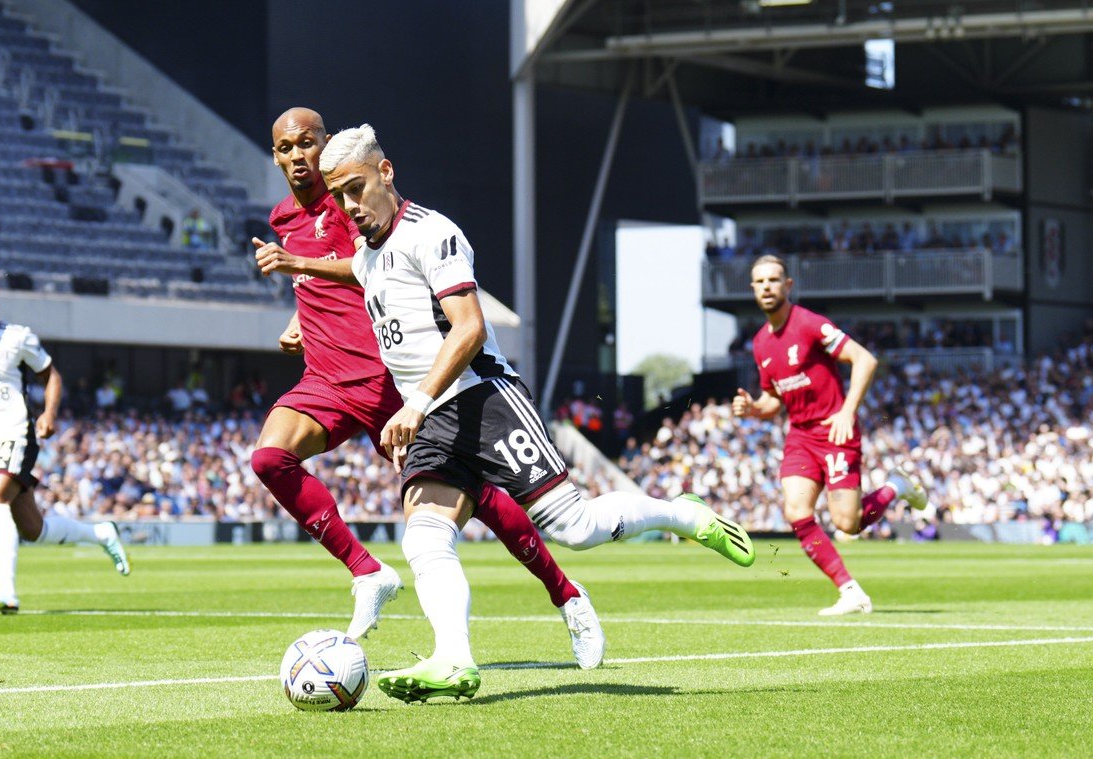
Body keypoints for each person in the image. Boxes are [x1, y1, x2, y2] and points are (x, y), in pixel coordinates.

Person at [262, 123, 754, 703]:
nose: (349, 207)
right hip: (433, 420)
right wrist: (306, 299)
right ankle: (452, 658)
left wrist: (415, 403)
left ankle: (683, 515)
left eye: (356, 189)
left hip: (482, 399)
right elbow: (356, 277)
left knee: (575, 527)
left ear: (386, 173)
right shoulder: (368, 255)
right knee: (424, 539)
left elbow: (468, 328)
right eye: (339, 195)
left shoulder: (434, 233)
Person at [249, 108, 605, 669]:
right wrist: (300, 317)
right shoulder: (282, 217)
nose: (299, 156)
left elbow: (363, 265)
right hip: (326, 378)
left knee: (481, 500)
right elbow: (323, 281)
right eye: (287, 147)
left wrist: (301, 265)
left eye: (308, 143)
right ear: (274, 155)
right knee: (269, 458)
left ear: (327, 144)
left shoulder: (351, 196)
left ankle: (566, 593)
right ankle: (368, 572)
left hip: (390, 379)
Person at [731, 255, 927, 616]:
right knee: (796, 511)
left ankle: (896, 487)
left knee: (846, 523)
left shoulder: (809, 324)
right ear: (753, 290)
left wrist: (847, 411)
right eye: (759, 282)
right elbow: (773, 399)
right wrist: (753, 408)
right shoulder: (760, 343)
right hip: (801, 436)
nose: (767, 288)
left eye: (774, 280)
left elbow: (864, 359)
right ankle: (850, 591)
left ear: (788, 286)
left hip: (836, 431)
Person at [0, 275, 130, 613]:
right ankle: (100, 533)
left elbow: (50, 374)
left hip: (17, 432)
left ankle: (5, 590)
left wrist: (49, 413)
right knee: (32, 529)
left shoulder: (17, 337)